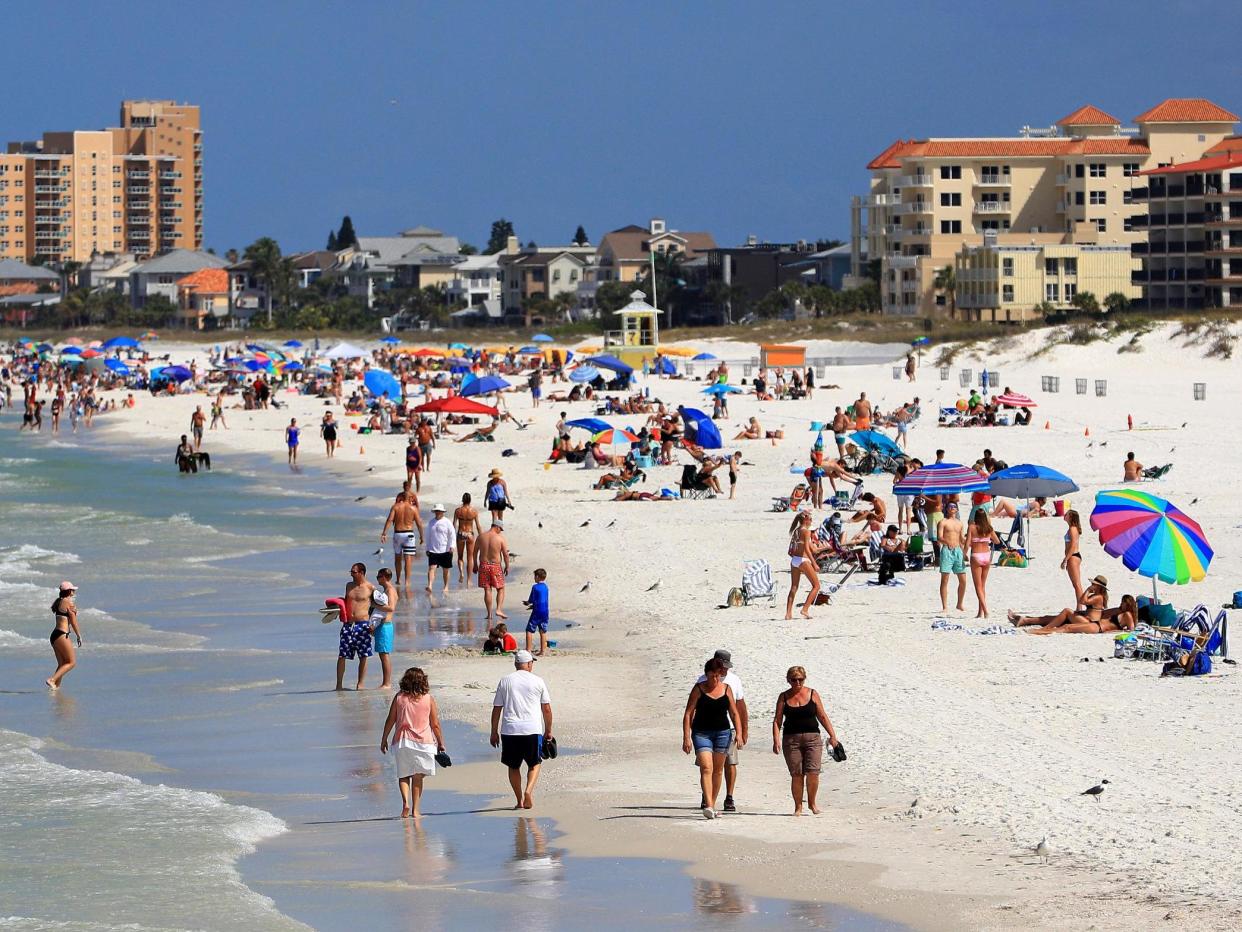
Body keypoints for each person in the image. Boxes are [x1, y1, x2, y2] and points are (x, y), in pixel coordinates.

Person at [771, 665, 841, 815]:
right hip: (791, 740)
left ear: (804, 679)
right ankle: (798, 807)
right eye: (794, 680)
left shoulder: (812, 693)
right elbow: (777, 720)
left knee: (813, 772)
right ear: (788, 680)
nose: (797, 683)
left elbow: (822, 716)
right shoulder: (783, 697)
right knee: (797, 774)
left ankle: (812, 804)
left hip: (813, 739)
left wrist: (832, 735)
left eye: (800, 679)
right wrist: (776, 739)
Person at [380, 667, 447, 819]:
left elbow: (391, 719)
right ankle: (416, 810)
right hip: (424, 742)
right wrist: (440, 742)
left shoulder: (399, 697)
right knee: (418, 776)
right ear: (423, 681)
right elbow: (435, 724)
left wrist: (384, 738)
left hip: (402, 741)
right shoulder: (428, 698)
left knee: (403, 775)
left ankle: (405, 803)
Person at [491, 650, 553, 810]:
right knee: (535, 763)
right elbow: (546, 708)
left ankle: (519, 800)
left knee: (513, 766)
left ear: (516, 664)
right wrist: (548, 730)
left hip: (510, 730)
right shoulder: (538, 681)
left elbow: (497, 708)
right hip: (532, 729)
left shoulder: (505, 681)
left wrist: (493, 732)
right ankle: (528, 791)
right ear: (529, 664)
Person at [681, 657, 742, 818]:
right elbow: (688, 714)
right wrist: (686, 737)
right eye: (711, 675)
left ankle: (712, 805)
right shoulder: (699, 689)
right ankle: (708, 804)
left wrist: (740, 733)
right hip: (701, 733)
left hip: (723, 733)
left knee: (718, 770)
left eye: (717, 676)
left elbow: (734, 713)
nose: (715, 679)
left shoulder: (727, 689)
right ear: (706, 674)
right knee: (706, 767)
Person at [695, 649, 748, 812]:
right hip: (704, 730)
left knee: (729, 763)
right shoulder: (702, 680)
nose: (724, 670)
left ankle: (729, 796)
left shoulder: (734, 680)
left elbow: (739, 706)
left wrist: (743, 730)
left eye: (726, 667)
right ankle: (708, 797)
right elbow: (693, 709)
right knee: (706, 766)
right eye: (722, 666)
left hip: (728, 729)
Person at [1011, 576, 1109, 634]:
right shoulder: (1096, 596)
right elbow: (1082, 601)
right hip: (1086, 619)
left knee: (1067, 611)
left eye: (1094, 585)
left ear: (1099, 587)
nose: (1092, 586)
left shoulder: (1099, 597)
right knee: (1053, 617)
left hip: (1089, 622)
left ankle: (1046, 629)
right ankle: (1025, 621)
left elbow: (1082, 601)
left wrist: (1087, 590)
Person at [337, 563, 375, 690]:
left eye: (354, 572)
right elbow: (345, 602)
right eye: (351, 572)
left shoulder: (370, 587)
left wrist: (374, 624)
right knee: (342, 655)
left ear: (361, 572)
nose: (351, 574)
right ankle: (339, 685)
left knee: (363, 656)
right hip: (348, 624)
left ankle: (360, 684)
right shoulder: (349, 585)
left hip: (363, 624)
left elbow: (377, 607)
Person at [381, 492, 423, 588]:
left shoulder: (396, 507)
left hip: (398, 534)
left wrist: (384, 533)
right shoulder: (413, 508)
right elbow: (419, 523)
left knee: (398, 558)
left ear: (401, 497)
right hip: (409, 534)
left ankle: (398, 579)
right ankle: (407, 581)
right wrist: (421, 536)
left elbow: (390, 520)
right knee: (408, 559)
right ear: (410, 498)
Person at [785, 510, 822, 619]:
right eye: (810, 519)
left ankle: (788, 614)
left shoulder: (796, 530)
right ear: (805, 520)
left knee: (794, 587)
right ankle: (805, 609)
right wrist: (814, 564)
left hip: (794, 560)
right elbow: (807, 549)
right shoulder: (806, 531)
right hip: (803, 560)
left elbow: (792, 549)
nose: (811, 521)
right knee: (816, 586)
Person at [46, 581, 81, 689]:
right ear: (69, 591)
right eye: (73, 590)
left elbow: (67, 619)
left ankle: (55, 687)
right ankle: (51, 680)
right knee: (71, 662)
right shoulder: (68, 602)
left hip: (55, 635)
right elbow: (73, 622)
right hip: (62, 635)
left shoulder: (60, 601)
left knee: (62, 663)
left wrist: (74, 612)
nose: (74, 591)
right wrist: (78, 635)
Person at [967, 509, 1001, 618]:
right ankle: (980, 612)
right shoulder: (989, 528)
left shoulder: (972, 527)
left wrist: (963, 554)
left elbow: (967, 543)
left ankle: (985, 611)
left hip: (976, 556)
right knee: (982, 586)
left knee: (978, 586)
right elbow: (997, 541)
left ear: (975, 517)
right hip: (986, 556)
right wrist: (986, 540)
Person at [476, 520, 510, 621]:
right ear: (497, 527)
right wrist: (507, 566)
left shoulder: (481, 537)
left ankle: (489, 614)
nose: (500, 531)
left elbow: (474, 552)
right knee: (500, 588)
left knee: (487, 589)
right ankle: (498, 609)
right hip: (495, 566)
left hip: (483, 565)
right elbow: (505, 554)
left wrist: (474, 564)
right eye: (500, 529)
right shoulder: (500, 538)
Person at [370, 567, 398, 689]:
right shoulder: (387, 590)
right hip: (383, 625)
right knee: (383, 654)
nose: (377, 579)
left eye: (379, 576)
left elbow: (391, 608)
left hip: (385, 625)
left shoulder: (390, 590)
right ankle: (386, 682)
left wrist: (374, 605)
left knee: (384, 654)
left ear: (385, 577)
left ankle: (387, 683)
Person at [937, 502, 967, 613]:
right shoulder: (943, 522)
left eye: (954, 506)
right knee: (945, 579)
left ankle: (959, 604)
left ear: (957, 509)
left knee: (963, 580)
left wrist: (966, 549)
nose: (952, 508)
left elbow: (962, 539)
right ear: (947, 509)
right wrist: (947, 542)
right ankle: (944, 606)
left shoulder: (960, 523)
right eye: (950, 506)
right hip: (947, 550)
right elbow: (939, 537)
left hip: (958, 551)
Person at [424, 503, 455, 593]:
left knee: (445, 569)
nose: (438, 513)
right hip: (433, 550)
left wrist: (452, 546)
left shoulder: (447, 522)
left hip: (445, 550)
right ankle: (430, 585)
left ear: (442, 512)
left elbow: (452, 535)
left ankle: (446, 586)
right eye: (436, 511)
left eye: (439, 511)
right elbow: (428, 536)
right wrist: (427, 548)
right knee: (431, 568)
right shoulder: (431, 522)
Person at [453, 493, 482, 586]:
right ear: (470, 500)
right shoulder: (474, 511)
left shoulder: (458, 511)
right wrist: (481, 537)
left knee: (460, 557)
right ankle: (469, 580)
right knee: (470, 558)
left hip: (461, 533)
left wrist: (452, 537)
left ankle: (461, 573)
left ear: (462, 500)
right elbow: (478, 526)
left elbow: (453, 525)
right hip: (470, 534)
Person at [523, 568, 550, 655]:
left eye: (535, 576)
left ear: (537, 577)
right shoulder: (546, 587)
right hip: (545, 611)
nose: (534, 578)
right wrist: (533, 605)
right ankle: (542, 651)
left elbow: (531, 599)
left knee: (529, 630)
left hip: (537, 612)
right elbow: (542, 600)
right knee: (542, 631)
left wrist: (527, 603)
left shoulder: (535, 587)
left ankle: (528, 650)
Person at [1060, 508, 1085, 602]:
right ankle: (1080, 606)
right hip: (1074, 556)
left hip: (1073, 556)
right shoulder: (1072, 529)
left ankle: (1080, 607)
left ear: (1070, 517)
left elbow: (1073, 545)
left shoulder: (1072, 529)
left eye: (1066, 514)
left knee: (1077, 584)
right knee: (1076, 584)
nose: (1064, 514)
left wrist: (1066, 559)